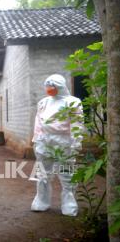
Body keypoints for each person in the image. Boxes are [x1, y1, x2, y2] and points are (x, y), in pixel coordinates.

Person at [31, 74, 84, 216]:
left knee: (66, 173)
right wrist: (36, 139)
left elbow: (77, 123)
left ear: (60, 86)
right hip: (44, 140)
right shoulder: (43, 102)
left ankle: (69, 204)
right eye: (47, 86)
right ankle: (41, 201)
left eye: (52, 86)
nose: (49, 89)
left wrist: (76, 141)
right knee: (42, 173)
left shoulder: (72, 102)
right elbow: (38, 122)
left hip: (64, 141)